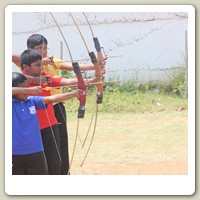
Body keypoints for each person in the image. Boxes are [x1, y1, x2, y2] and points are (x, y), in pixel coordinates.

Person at [12, 33, 105, 174]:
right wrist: (31, 84)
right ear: (25, 65)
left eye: (45, 48)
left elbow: (66, 82)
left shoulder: (47, 76)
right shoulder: (20, 78)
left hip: (50, 122)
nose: (43, 52)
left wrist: (91, 79)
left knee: (55, 159)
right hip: (30, 130)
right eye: (39, 49)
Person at [12, 72, 83, 175]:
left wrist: (74, 93)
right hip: (13, 153)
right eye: (22, 88)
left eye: (27, 86)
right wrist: (30, 90)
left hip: (36, 151)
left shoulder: (31, 101)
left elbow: (52, 98)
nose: (26, 91)